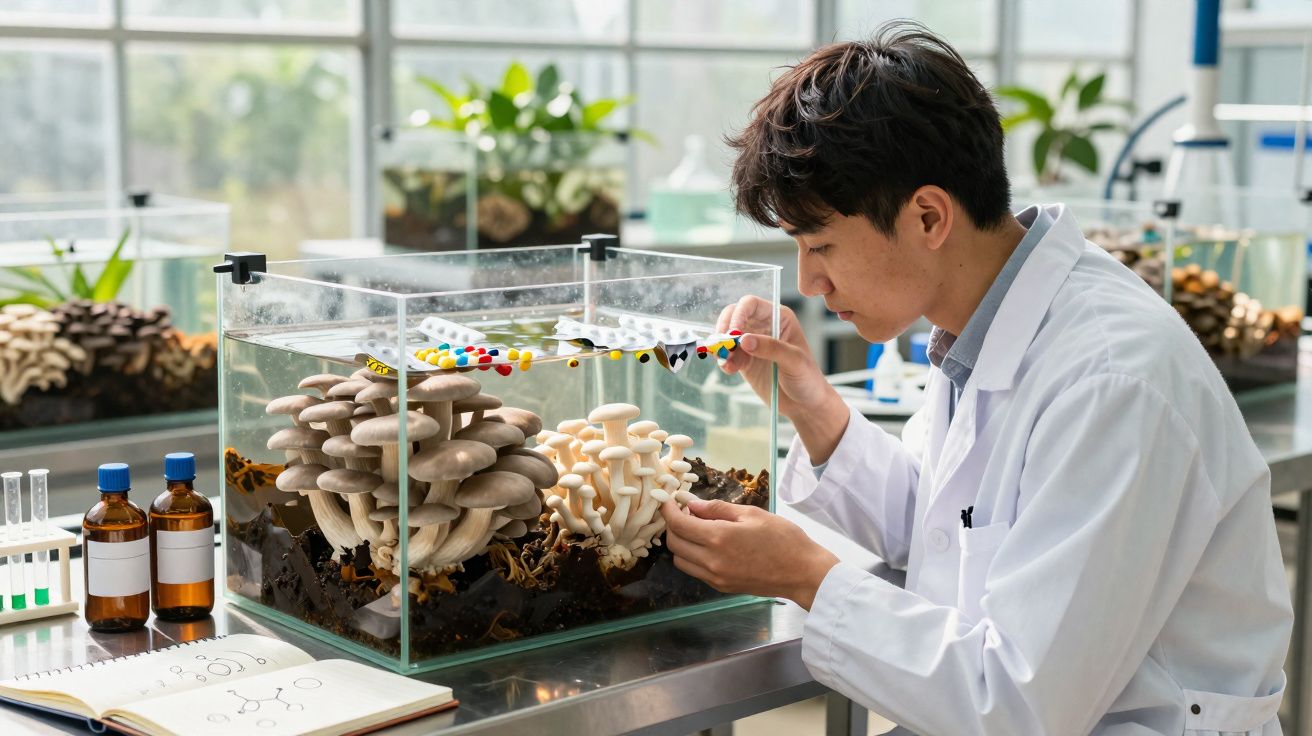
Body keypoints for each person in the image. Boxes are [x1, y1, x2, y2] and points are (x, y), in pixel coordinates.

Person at [658, 22, 1293, 735]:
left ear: (929, 215)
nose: (809, 280)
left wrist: (807, 574)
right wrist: (810, 402)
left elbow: (1020, 702)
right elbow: (944, 534)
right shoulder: (983, 325)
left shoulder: (1111, 382)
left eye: (822, 244)